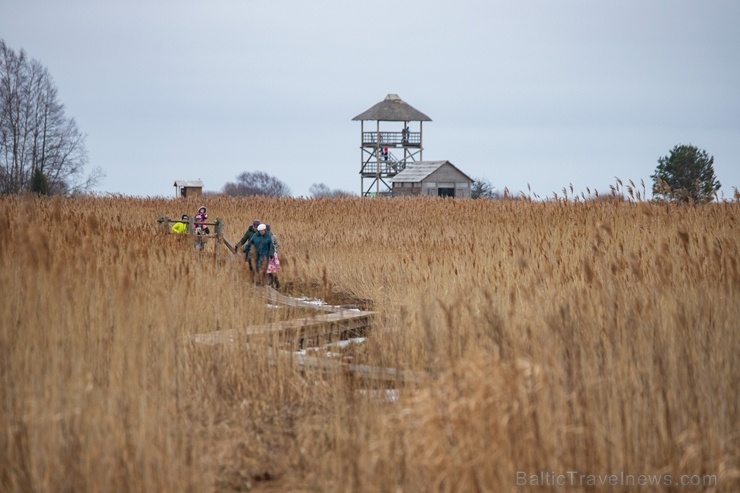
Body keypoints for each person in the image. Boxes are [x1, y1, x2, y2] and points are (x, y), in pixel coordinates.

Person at [265, 224, 281, 289]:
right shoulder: (265, 236)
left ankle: (276, 285)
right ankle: (272, 284)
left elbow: (277, 245)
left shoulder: (273, 236)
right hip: (267, 255)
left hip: (272, 255)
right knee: (270, 271)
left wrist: (273, 248)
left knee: (271, 271)